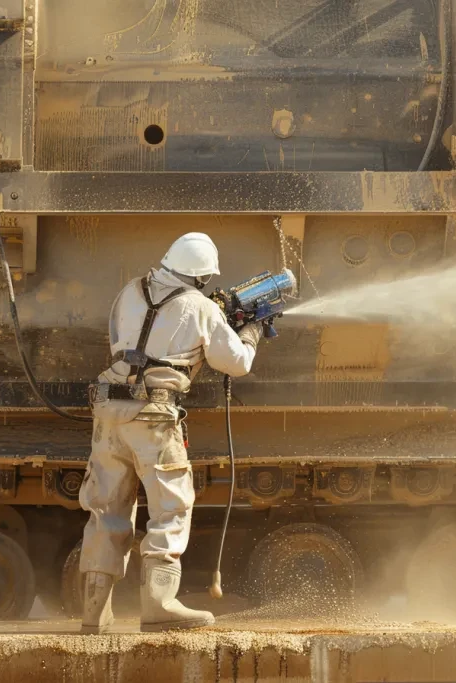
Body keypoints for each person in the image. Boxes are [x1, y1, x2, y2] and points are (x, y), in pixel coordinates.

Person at [77, 232, 262, 633]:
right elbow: (237, 363)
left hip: (108, 412)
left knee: (106, 509)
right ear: (200, 277)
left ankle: (94, 613)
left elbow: (121, 339)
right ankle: (159, 604)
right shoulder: (200, 307)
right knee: (170, 507)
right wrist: (251, 333)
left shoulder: (129, 291)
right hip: (153, 417)